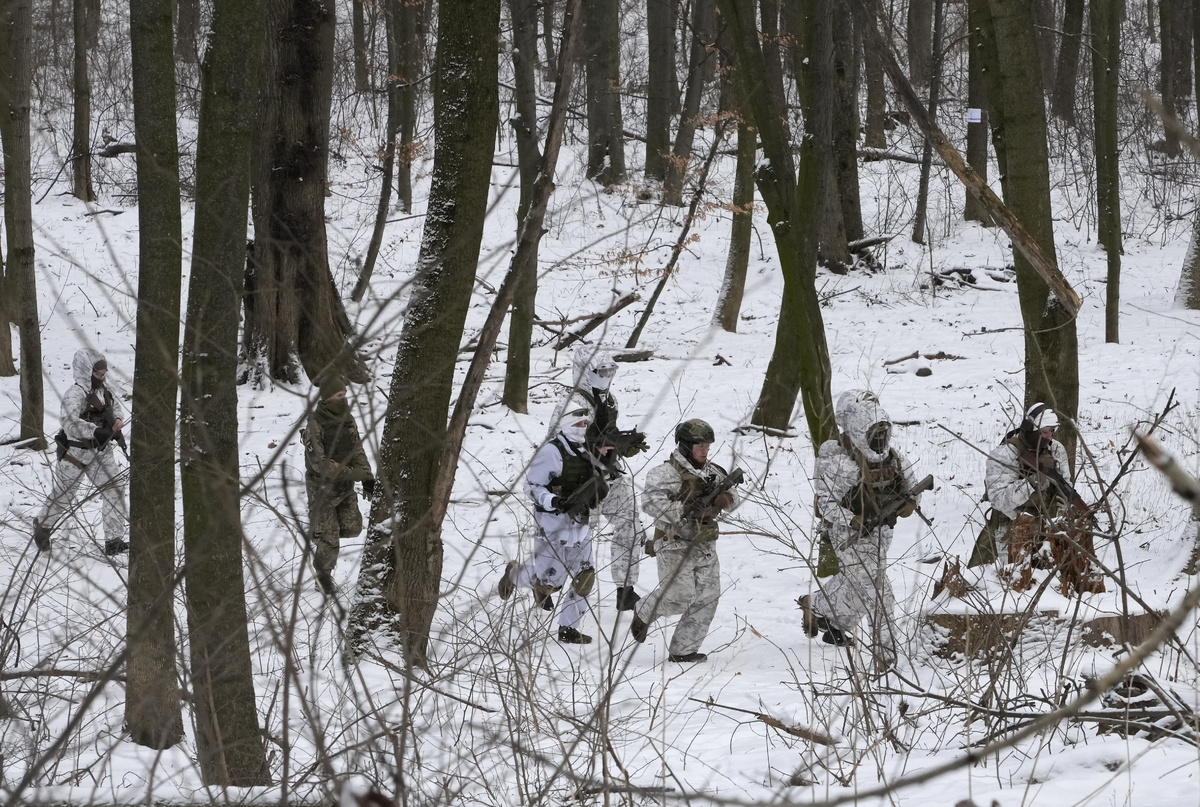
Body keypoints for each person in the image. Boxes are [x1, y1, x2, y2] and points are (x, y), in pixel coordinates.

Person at [800, 391, 922, 670]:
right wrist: (852, 519)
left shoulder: (893, 458)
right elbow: (825, 506)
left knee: (857, 586)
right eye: (874, 434)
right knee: (880, 596)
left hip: (882, 536)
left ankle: (819, 608)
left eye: (883, 433)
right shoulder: (838, 464)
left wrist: (910, 504)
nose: (880, 439)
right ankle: (886, 658)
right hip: (850, 539)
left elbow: (913, 485)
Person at [630, 419, 741, 663]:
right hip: (673, 543)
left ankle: (684, 650)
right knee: (678, 597)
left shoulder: (713, 472)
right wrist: (683, 508)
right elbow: (650, 503)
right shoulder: (663, 473)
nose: (704, 451)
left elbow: (734, 496)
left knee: (707, 596)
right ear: (684, 445)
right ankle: (644, 610)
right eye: (699, 445)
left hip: (704, 544)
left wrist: (721, 501)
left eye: (707, 446)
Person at [499, 410, 613, 644]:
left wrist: (606, 461)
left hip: (580, 524)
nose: (583, 426)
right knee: (549, 583)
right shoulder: (550, 452)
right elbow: (532, 486)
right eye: (578, 422)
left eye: (585, 423)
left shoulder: (584, 451)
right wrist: (552, 500)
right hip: (552, 526)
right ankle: (514, 574)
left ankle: (568, 628)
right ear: (566, 423)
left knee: (585, 576)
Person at [973, 403, 1103, 595]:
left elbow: (1065, 483)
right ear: (1030, 429)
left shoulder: (1055, 449)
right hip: (1011, 530)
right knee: (1014, 588)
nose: (1050, 437)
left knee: (1053, 588)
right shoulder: (1004, 454)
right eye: (1045, 432)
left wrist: (1066, 504)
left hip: (1050, 531)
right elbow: (998, 500)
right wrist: (1032, 483)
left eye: (1053, 432)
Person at [569, 348, 649, 612]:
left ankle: (625, 590)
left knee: (630, 525)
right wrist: (595, 448)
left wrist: (623, 444)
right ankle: (545, 586)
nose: (606, 377)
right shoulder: (571, 403)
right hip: (578, 484)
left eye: (610, 372)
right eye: (601, 372)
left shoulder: (609, 401)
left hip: (609, 478)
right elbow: (559, 442)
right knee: (575, 542)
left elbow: (609, 433)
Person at [33, 348, 129, 556]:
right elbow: (68, 422)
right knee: (64, 496)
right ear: (86, 372)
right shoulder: (74, 394)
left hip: (101, 453)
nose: (102, 378)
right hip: (74, 454)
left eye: (104, 374)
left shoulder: (104, 391)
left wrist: (117, 421)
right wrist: (95, 431)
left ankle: (114, 540)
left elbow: (115, 408)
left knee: (114, 490)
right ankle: (42, 526)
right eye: (98, 374)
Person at [302, 375, 374, 596]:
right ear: (326, 398)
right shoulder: (315, 425)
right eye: (338, 395)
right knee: (330, 538)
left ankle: (319, 533)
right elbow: (320, 465)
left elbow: (357, 450)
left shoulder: (348, 419)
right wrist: (353, 473)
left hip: (345, 488)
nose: (343, 399)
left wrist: (367, 477)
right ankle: (323, 577)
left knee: (353, 528)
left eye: (344, 395)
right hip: (321, 490)